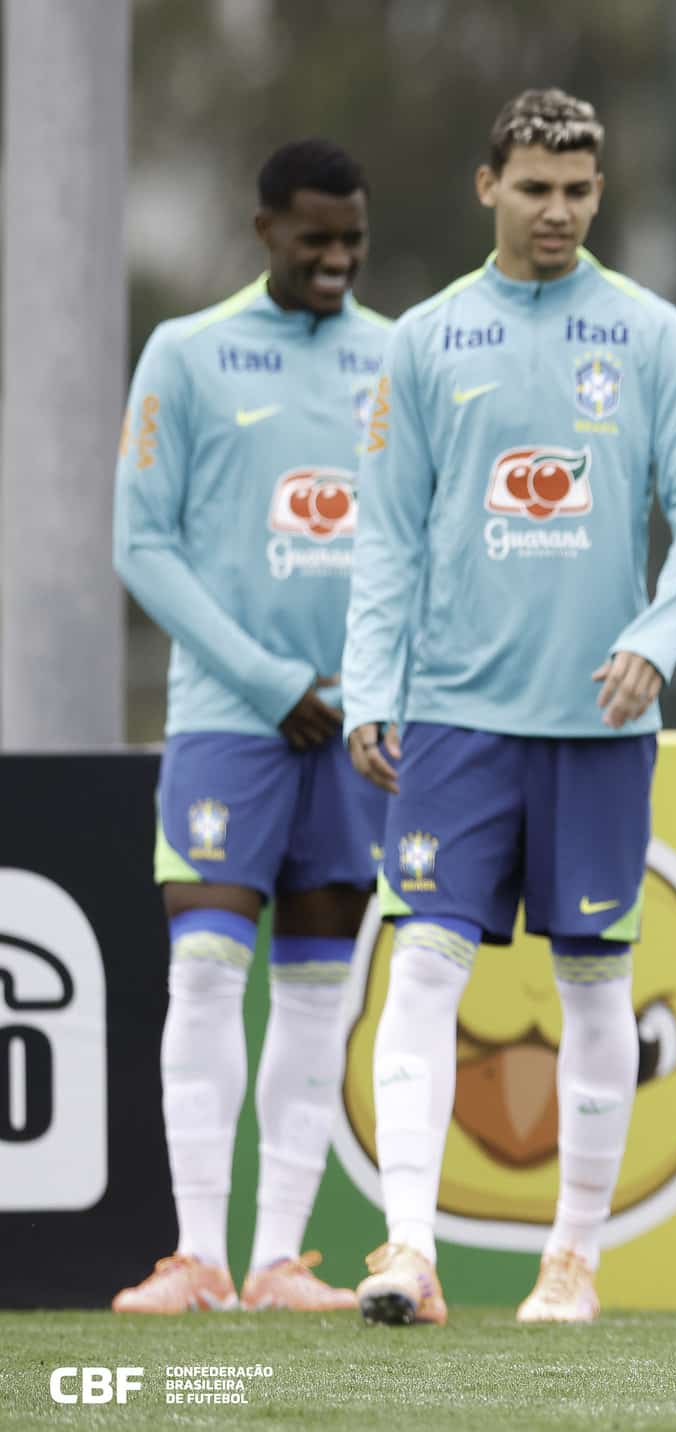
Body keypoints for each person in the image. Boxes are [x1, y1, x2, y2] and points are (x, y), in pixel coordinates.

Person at [341, 87, 676, 1326]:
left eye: (576, 191)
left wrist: (655, 640)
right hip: (457, 718)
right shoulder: (426, 340)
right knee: (423, 965)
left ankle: (572, 1257)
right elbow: (388, 537)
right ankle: (406, 1246)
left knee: (590, 984)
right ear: (486, 187)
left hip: (600, 727)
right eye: (533, 189)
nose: (556, 211)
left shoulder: (651, 333)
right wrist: (370, 685)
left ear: (598, 194)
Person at [111, 139, 390, 1315]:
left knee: (319, 993)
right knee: (210, 969)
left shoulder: (394, 357)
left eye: (351, 242)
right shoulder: (186, 353)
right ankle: (197, 1255)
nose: (335, 260)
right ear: (265, 226)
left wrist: (369, 680)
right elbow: (141, 543)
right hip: (233, 720)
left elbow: (416, 538)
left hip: (358, 726)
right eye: (314, 238)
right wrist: (269, 676)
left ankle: (279, 1258)